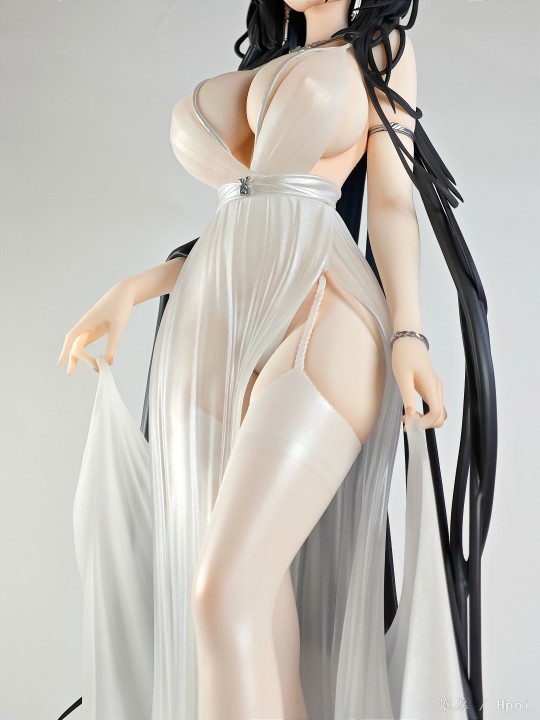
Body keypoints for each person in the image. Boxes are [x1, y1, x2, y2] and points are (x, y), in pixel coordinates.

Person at [56, 1, 497, 719]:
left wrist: (409, 335)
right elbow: (245, 220)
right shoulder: (265, 67)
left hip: (323, 313)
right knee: (256, 609)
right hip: (213, 325)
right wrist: (134, 288)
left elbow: (391, 203)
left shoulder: (379, 50)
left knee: (222, 593)